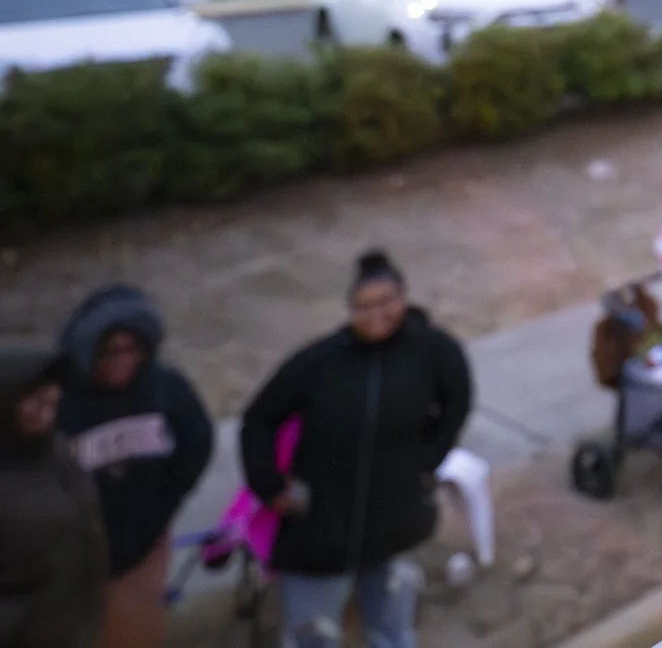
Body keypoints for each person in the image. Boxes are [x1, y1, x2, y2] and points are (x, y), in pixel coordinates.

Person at [240, 250, 472, 648]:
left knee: (394, 631)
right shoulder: (320, 362)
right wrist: (271, 487)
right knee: (314, 635)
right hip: (323, 529)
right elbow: (258, 420)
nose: (376, 314)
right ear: (349, 309)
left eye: (387, 302)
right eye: (363, 306)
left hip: (395, 524)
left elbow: (459, 401)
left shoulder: (434, 352)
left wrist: (430, 460)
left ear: (403, 297)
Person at [54, 287, 212, 648]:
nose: (124, 360)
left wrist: (165, 505)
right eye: (111, 351)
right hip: (73, 554)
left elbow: (197, 442)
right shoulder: (58, 396)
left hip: (144, 543)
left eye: (133, 350)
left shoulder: (164, 385)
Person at [1, 339, 108, 648]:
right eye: (33, 403)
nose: (45, 415)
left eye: (50, 403)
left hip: (69, 628)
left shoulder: (55, 450)